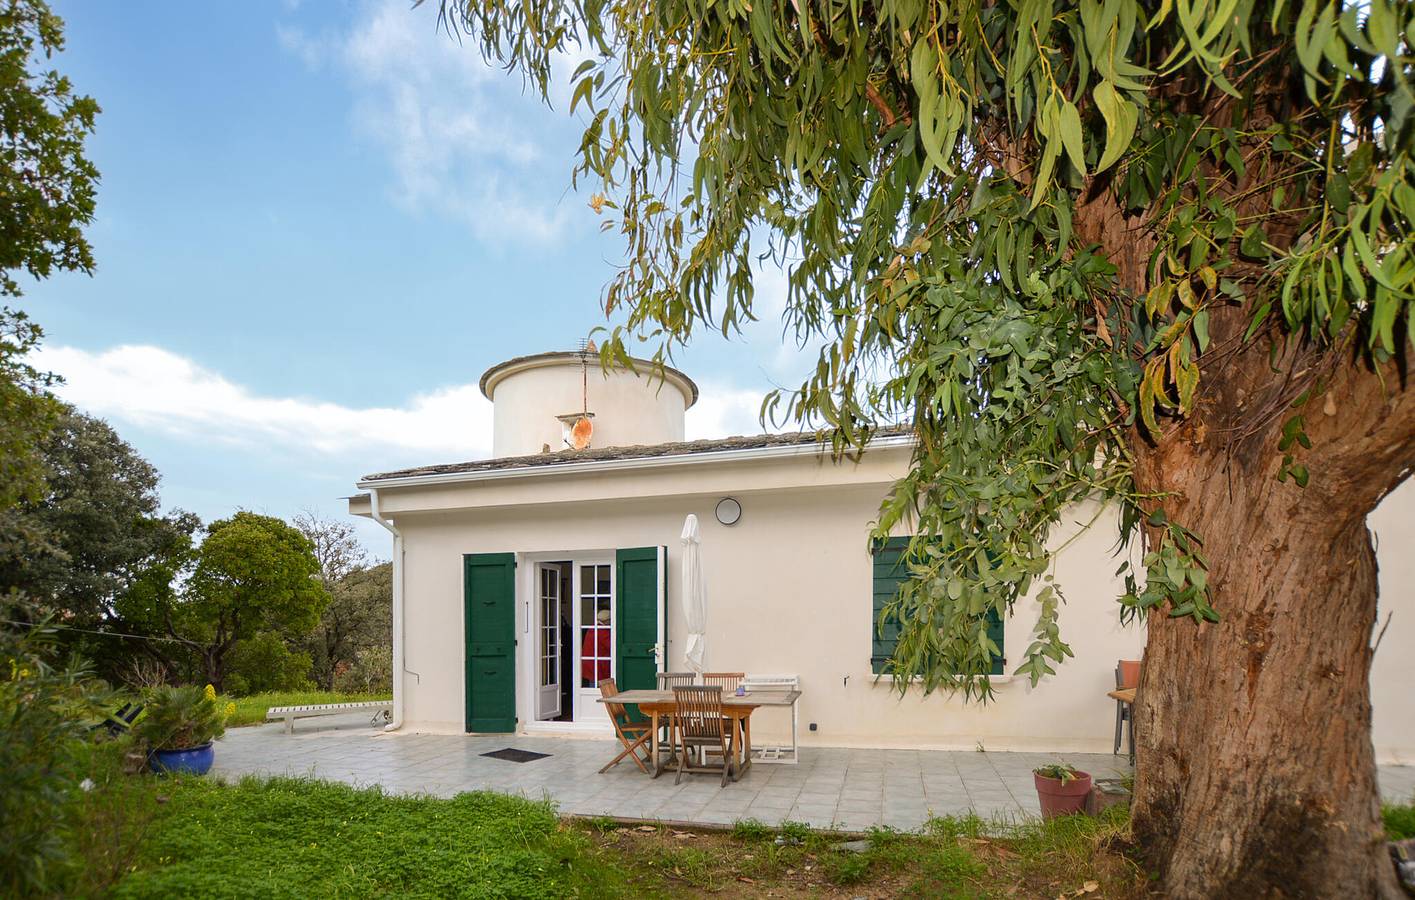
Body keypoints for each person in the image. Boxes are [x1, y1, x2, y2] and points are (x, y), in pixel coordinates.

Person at [581, 606, 612, 686]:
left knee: (593, 686)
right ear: (607, 621)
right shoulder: (603, 632)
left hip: (590, 665)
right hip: (599, 666)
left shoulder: (592, 629)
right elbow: (611, 647)